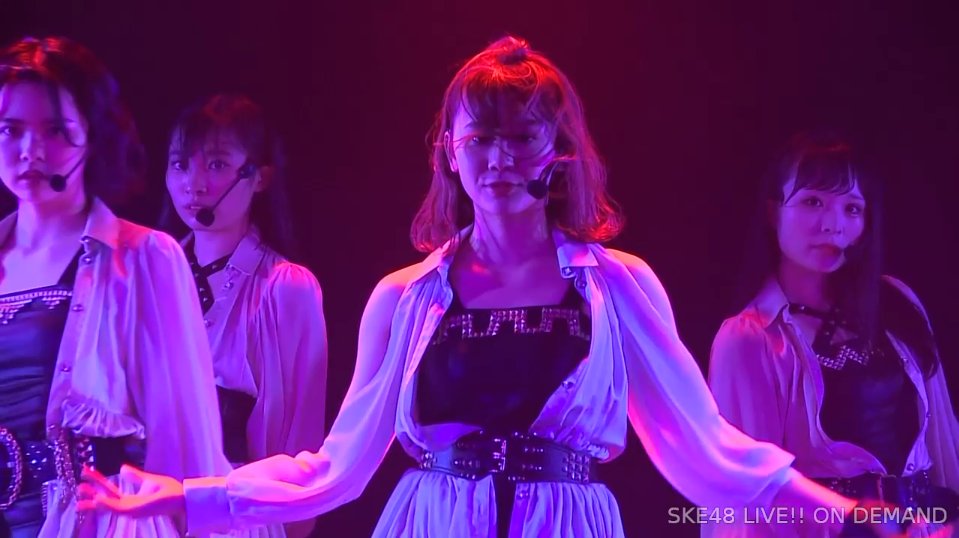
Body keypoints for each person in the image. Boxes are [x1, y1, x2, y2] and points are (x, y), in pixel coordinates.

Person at [78, 37, 868, 538]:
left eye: (522, 136)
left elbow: (711, 453)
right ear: (449, 152)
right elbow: (334, 469)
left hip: (566, 521)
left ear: (557, 150)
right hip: (432, 520)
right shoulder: (405, 298)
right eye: (480, 137)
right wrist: (185, 495)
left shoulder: (619, 287)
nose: (499, 158)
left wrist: (853, 517)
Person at [0, 36, 237, 537]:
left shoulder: (144, 258)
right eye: (10, 129)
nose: (30, 151)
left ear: (91, 134)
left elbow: (188, 447)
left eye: (55, 130)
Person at [706, 131, 959, 537]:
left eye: (852, 208)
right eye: (812, 202)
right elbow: (747, 491)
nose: (833, 225)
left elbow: (943, 442)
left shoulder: (897, 303)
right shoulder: (750, 337)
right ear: (773, 212)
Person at [162, 93, 328, 538]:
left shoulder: (285, 288)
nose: (194, 184)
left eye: (216, 165)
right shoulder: (149, 279)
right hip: (149, 513)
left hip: (236, 518)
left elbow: (300, 443)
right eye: (180, 165)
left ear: (259, 177)